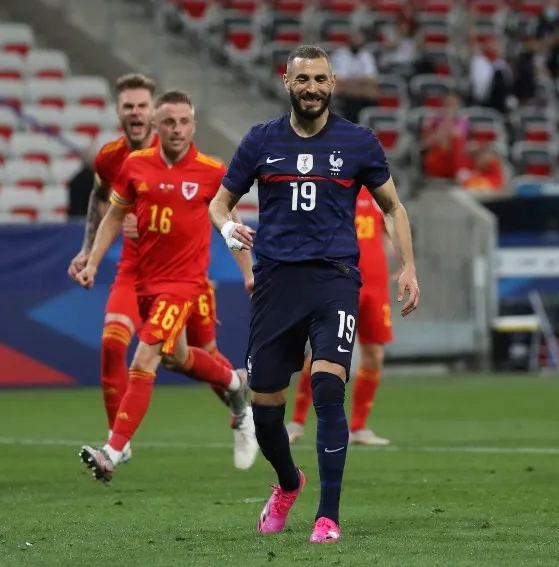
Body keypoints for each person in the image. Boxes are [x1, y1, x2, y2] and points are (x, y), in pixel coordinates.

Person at [208, 45, 420, 544]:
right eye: (303, 79)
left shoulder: (359, 143)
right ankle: (288, 483)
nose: (313, 88)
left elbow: (393, 208)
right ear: (287, 82)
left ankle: (329, 516)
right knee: (265, 408)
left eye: (321, 79)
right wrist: (227, 229)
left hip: (334, 279)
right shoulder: (260, 141)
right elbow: (221, 204)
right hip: (277, 282)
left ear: (333, 83)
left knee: (328, 387)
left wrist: (409, 266)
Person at [68, 75, 258, 472]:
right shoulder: (132, 165)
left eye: (184, 122)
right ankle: (236, 384)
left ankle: (113, 451)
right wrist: (91, 258)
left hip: (186, 285)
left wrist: (248, 273)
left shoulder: (210, 171)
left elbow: (232, 224)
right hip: (143, 281)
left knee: (146, 354)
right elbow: (112, 215)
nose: (176, 129)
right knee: (180, 357)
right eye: (168, 122)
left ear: (193, 125)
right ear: (157, 125)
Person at [286, 186, 394, 446]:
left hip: (375, 286)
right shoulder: (331, 188)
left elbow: (391, 230)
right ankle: (296, 422)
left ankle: (358, 428)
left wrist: (403, 264)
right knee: (324, 352)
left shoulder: (378, 190)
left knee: (375, 354)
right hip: (341, 282)